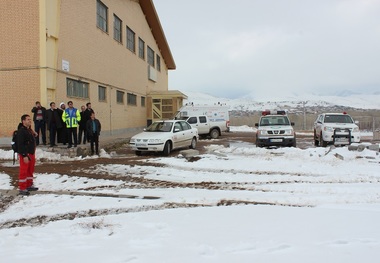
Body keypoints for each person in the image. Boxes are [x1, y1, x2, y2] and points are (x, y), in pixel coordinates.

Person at [17, 114, 38, 196]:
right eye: (28, 119)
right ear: (23, 121)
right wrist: (24, 155)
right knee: (24, 171)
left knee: (30, 170)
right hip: (25, 154)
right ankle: (22, 188)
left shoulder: (28, 130)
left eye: (30, 119)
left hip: (31, 153)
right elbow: (20, 144)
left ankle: (29, 184)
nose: (30, 121)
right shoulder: (21, 131)